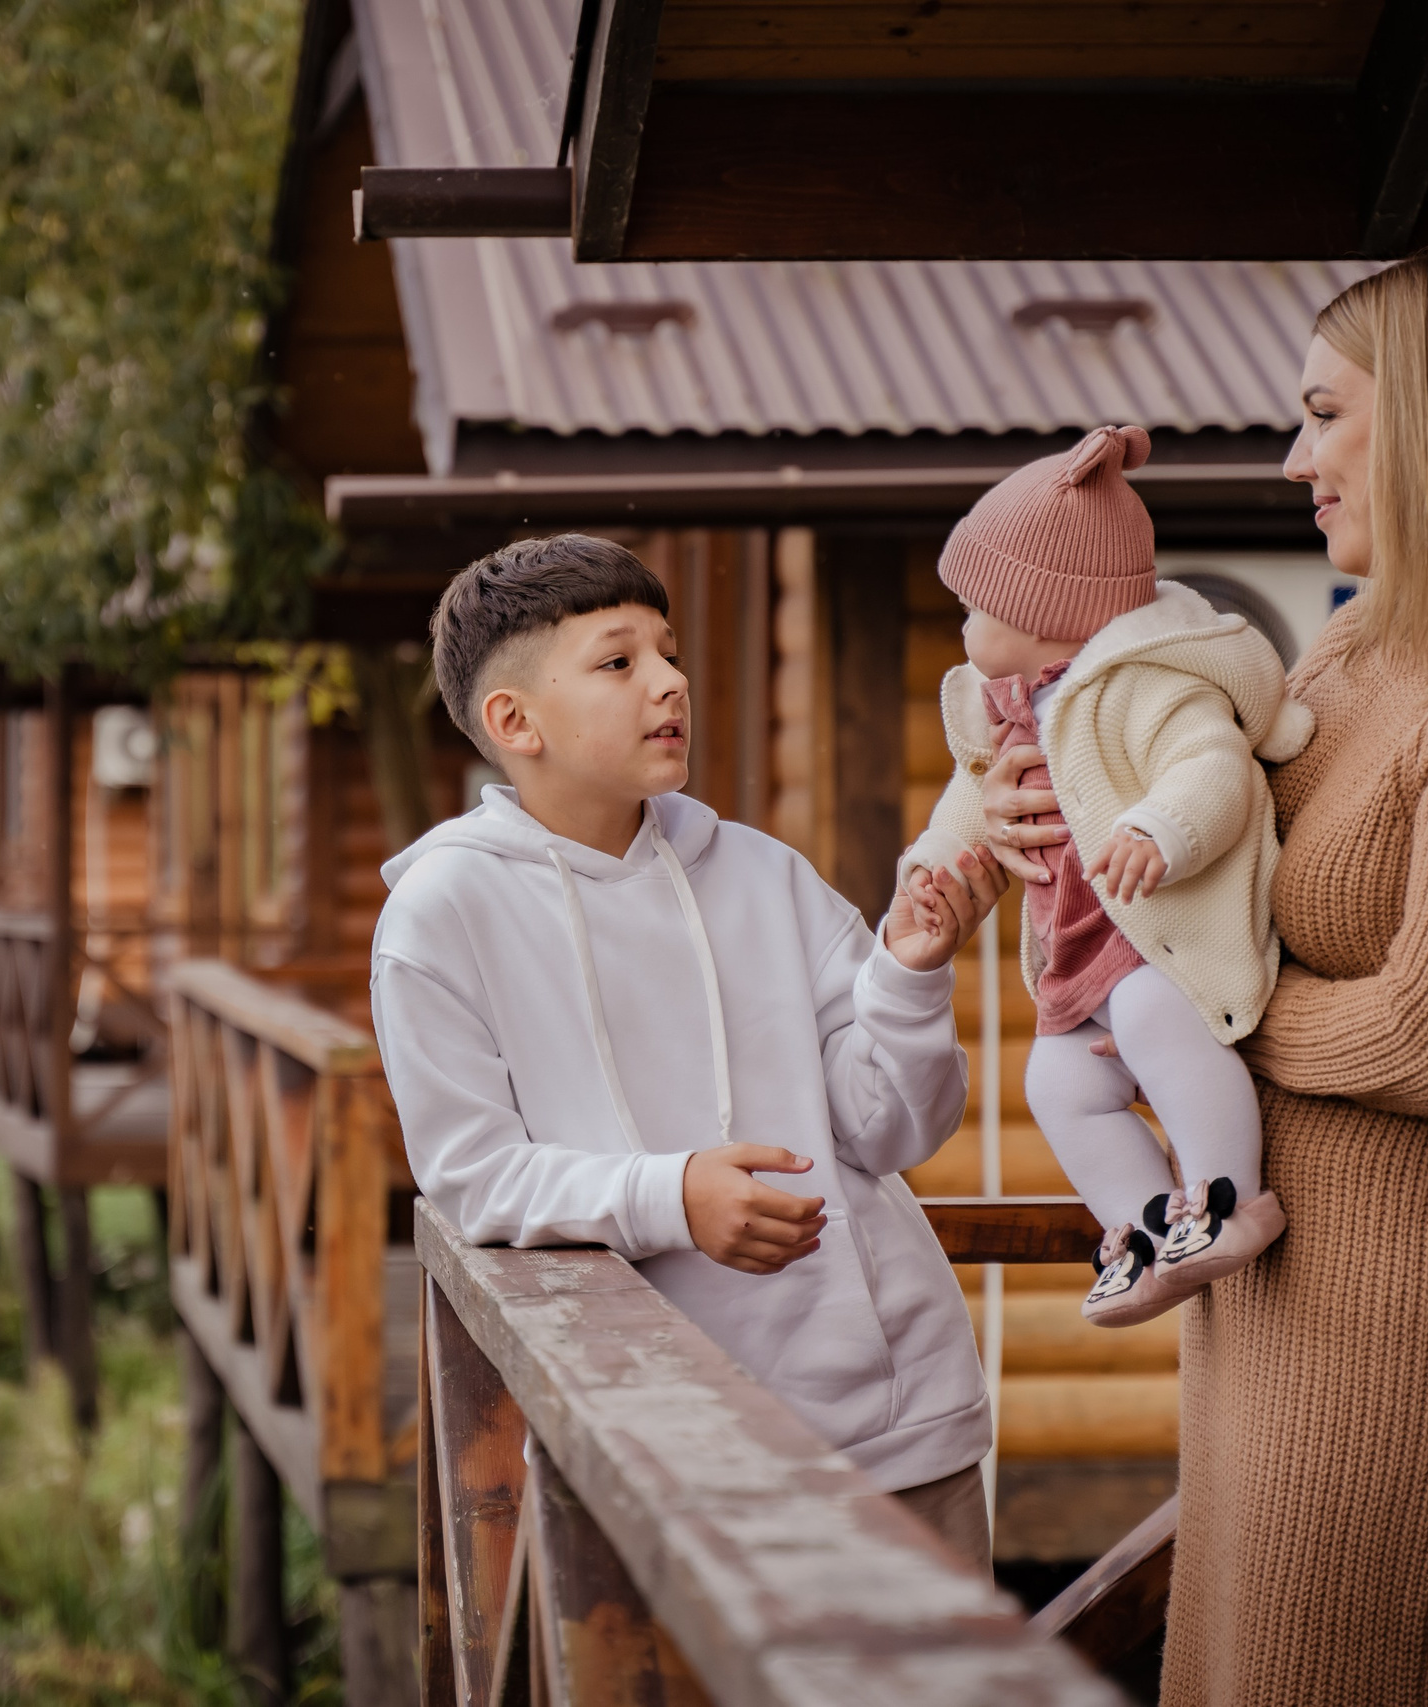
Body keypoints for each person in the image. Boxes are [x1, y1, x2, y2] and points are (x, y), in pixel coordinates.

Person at [973, 250, 1428, 1706]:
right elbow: (1215, 865)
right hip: (1278, 1279)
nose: (1294, 458)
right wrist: (1049, 813)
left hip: (1413, 1315)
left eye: (1325, 414)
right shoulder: (1348, 649)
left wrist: (1179, 1018)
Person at [369, 533, 1010, 1562]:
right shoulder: (440, 916)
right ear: (514, 721)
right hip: (645, 1439)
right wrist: (672, 1196)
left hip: (891, 1426)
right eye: (618, 661)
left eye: (668, 652)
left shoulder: (763, 874)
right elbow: (473, 1178)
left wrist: (907, 973)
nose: (669, 681)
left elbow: (893, 1130)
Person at [904, 424, 1313, 1328]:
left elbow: (1212, 767)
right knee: (1055, 1085)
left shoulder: (1149, 686)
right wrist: (932, 863)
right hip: (1084, 959)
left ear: (1041, 611)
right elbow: (972, 800)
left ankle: (1229, 1199)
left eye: (974, 607)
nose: (962, 625)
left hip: (1165, 943)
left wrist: (1162, 826)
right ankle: (1145, 1229)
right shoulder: (1010, 709)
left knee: (1153, 1017)